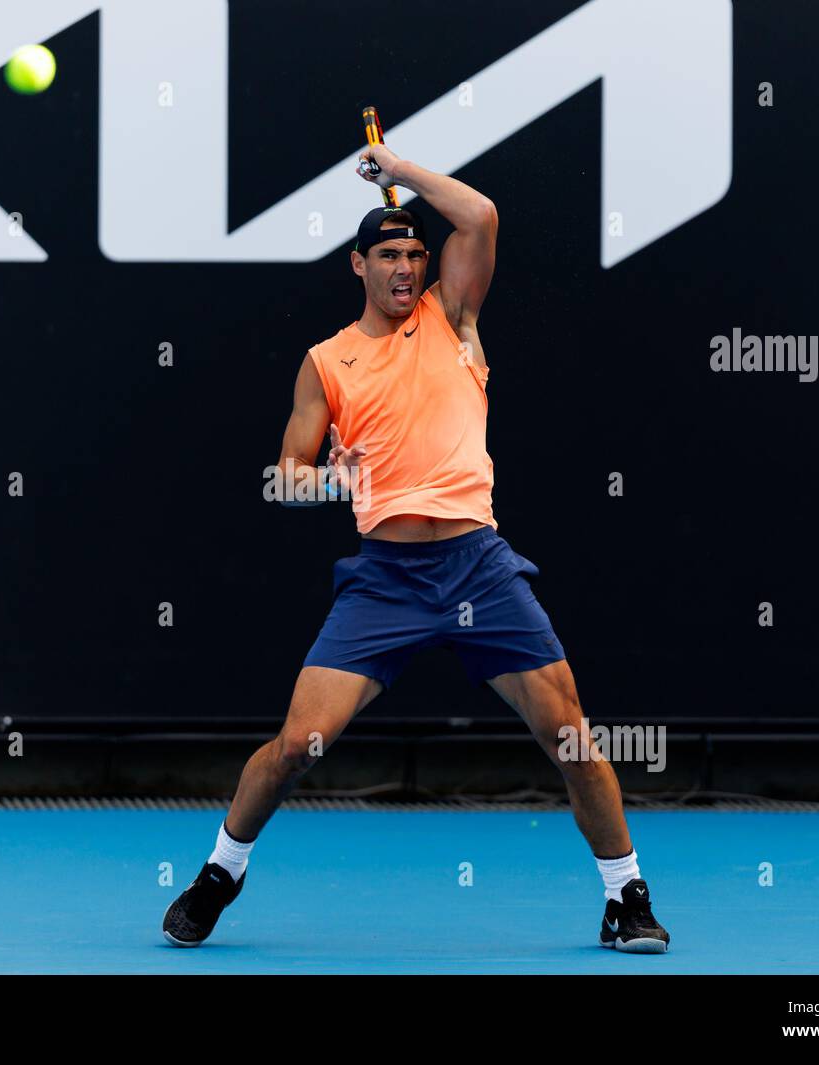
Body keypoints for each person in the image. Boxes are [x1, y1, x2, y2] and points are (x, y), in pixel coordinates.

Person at [163, 143, 670, 954]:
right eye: (389, 255)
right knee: (298, 746)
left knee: (571, 736)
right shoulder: (326, 362)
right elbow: (286, 480)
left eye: (415, 255)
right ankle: (221, 873)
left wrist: (396, 165)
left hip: (479, 563)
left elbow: (481, 215)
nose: (405, 267)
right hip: (387, 580)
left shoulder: (456, 317)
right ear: (356, 264)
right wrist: (335, 480)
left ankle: (627, 897)